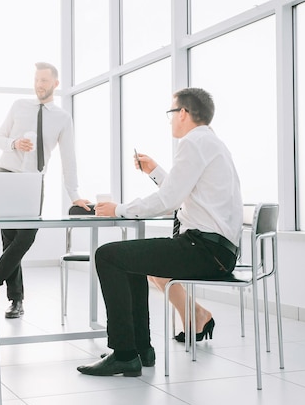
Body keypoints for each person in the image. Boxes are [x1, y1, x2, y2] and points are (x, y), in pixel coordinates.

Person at [77, 87, 242, 377]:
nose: (169, 121)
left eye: (171, 113)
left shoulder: (193, 143)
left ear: (182, 114)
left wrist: (118, 209)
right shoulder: (211, 143)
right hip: (215, 249)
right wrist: (154, 171)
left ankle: (126, 353)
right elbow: (181, 192)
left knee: (107, 255)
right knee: (132, 260)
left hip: (203, 250)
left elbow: (168, 201)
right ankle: (140, 349)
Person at [0, 61, 90, 318]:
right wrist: (14, 143)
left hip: (34, 180)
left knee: (26, 236)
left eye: (44, 81)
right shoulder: (18, 106)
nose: (39, 85)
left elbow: (69, 159)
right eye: (36, 80)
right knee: (10, 240)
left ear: (55, 84)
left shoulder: (62, 118)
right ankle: (16, 300)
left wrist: (75, 195)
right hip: (8, 176)